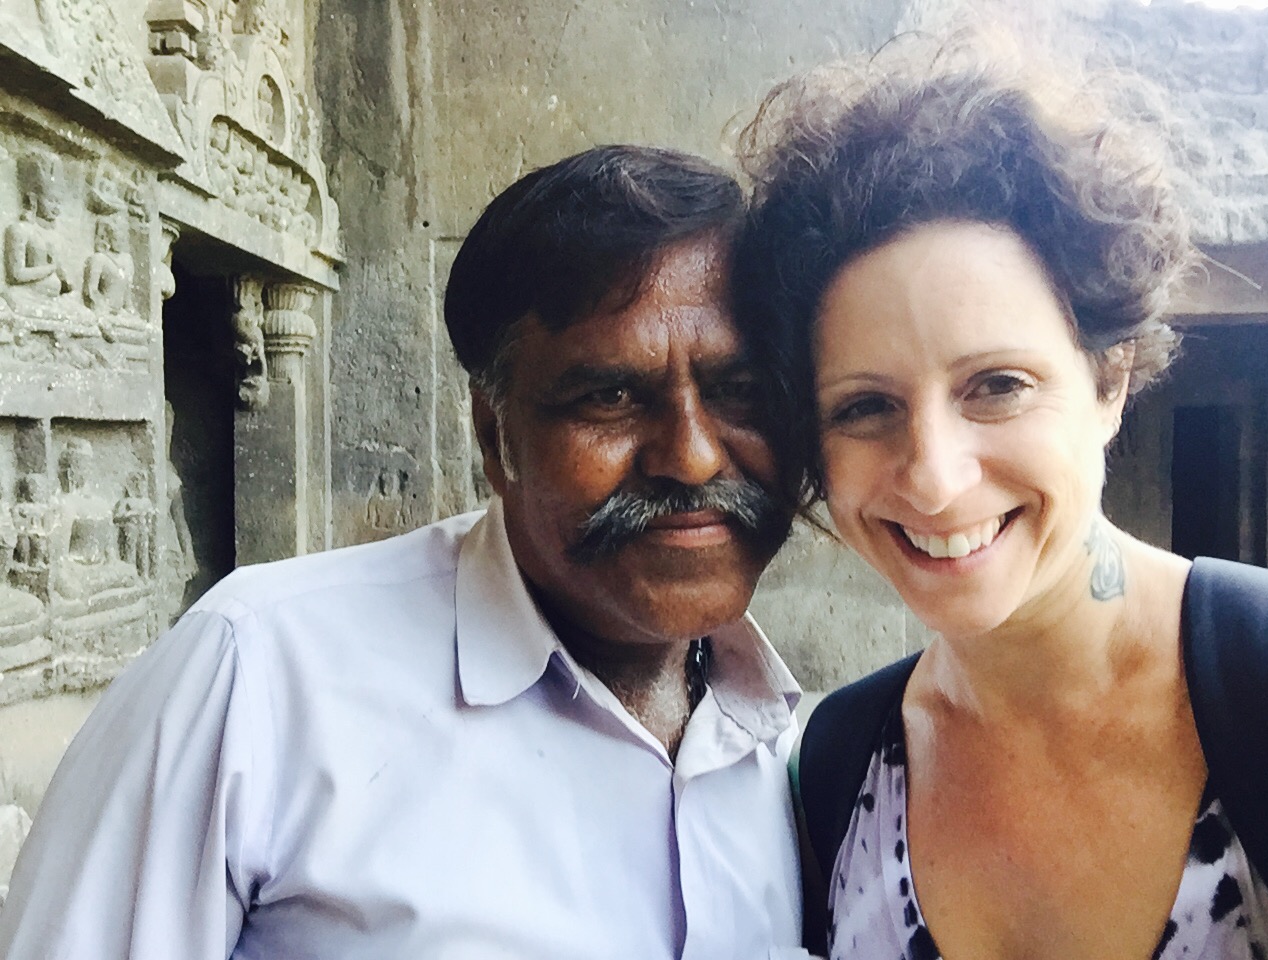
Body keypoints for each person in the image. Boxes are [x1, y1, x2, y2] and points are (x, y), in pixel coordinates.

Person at [0, 145, 808, 959]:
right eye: (610, 396)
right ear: (493, 434)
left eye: (742, 391)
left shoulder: (803, 754)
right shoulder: (260, 679)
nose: (693, 456)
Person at [731, 37, 1268, 960]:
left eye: (997, 386)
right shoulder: (836, 768)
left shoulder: (1264, 685)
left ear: (1109, 379)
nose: (935, 478)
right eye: (866, 407)